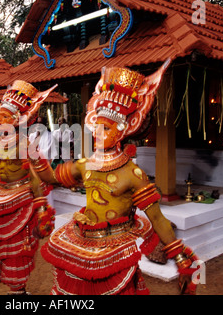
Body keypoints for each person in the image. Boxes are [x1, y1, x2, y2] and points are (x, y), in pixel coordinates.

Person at [40, 60, 200, 295]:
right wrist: (31, 158)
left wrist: (181, 258)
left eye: (105, 128)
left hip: (116, 248)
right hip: (83, 241)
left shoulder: (133, 174)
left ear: (122, 131)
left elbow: (157, 219)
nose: (97, 132)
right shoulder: (85, 165)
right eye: (97, 126)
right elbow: (52, 178)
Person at [0, 80, 57, 294]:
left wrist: (44, 200)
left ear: (18, 120)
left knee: (19, 246)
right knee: (0, 243)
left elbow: (39, 175)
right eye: (1, 116)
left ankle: (18, 289)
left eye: (6, 117)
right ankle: (15, 288)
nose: (1, 121)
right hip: (1, 196)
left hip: (22, 199)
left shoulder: (27, 144)